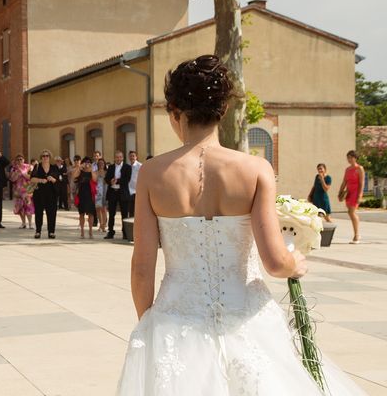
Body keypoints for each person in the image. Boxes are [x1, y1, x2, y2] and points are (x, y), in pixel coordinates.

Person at [117, 54, 366, 395]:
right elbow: (276, 263)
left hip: (175, 319)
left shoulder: (152, 173)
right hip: (247, 319)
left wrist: (149, 326)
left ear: (174, 111)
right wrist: (296, 261)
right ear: (224, 110)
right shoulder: (255, 169)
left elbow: (141, 268)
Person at [30, 149, 60, 239]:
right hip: (39, 193)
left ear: (49, 157)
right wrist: (40, 180)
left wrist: (53, 179)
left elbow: (58, 180)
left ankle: (51, 232)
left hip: (51, 194)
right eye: (43, 156)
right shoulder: (37, 167)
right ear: (41, 158)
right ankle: (38, 231)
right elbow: (32, 179)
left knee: (51, 213)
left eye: (47, 156)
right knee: (39, 213)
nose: (45, 157)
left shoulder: (54, 168)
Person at [338, 150, 364, 244]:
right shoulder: (347, 169)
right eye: (348, 158)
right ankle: (356, 233)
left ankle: (357, 235)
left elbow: (361, 183)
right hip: (348, 192)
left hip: (355, 192)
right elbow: (344, 182)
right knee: (350, 212)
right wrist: (340, 192)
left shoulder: (359, 168)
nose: (349, 159)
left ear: (355, 158)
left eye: (350, 157)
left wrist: (360, 195)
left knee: (352, 212)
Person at [104, 150, 132, 240]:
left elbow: (127, 179)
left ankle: (125, 233)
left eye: (120, 157)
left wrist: (117, 181)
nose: (118, 159)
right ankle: (110, 232)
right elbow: (106, 178)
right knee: (111, 214)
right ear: (114, 158)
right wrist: (110, 181)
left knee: (124, 214)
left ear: (123, 158)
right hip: (113, 192)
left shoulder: (127, 167)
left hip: (122, 192)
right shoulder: (111, 167)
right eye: (117, 157)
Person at [73, 156, 98, 239]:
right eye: (86, 162)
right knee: (81, 213)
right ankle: (82, 232)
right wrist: (79, 167)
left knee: (91, 213)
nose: (87, 164)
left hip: (90, 194)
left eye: (89, 162)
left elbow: (95, 179)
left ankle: (91, 231)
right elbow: (74, 176)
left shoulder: (92, 171)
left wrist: (91, 170)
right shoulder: (80, 171)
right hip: (82, 193)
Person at [9, 154, 35, 229]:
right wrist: (16, 173)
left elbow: (31, 177)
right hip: (18, 190)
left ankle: (30, 224)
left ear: (24, 160)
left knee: (28, 206)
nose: (20, 161)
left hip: (27, 189)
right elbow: (12, 179)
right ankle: (23, 223)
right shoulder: (13, 169)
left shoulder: (29, 167)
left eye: (21, 159)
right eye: (18, 159)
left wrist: (22, 172)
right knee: (20, 208)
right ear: (16, 161)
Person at [127, 150, 142, 217]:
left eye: (133, 156)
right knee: (131, 210)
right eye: (130, 156)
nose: (132, 157)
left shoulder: (140, 166)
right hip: (129, 191)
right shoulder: (128, 166)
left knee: (138, 210)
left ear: (136, 157)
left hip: (137, 191)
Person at [95, 157, 108, 232]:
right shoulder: (95, 172)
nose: (101, 165)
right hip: (97, 191)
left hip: (105, 190)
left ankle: (104, 225)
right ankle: (100, 224)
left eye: (102, 163)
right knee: (98, 208)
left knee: (104, 208)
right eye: (99, 163)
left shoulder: (107, 172)